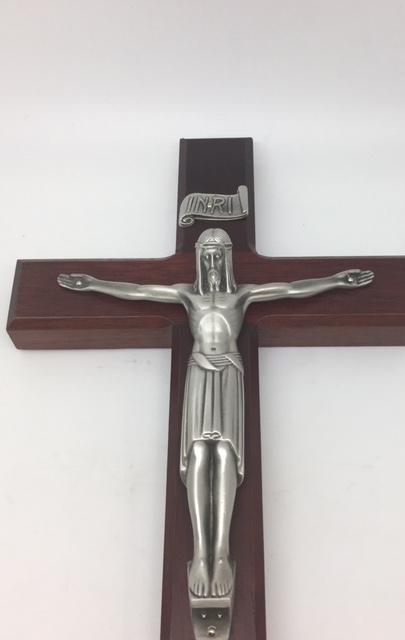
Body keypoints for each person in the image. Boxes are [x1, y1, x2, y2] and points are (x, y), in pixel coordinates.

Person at [58, 228, 374, 598]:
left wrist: (335, 281)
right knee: (197, 454)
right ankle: (199, 553)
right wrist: (94, 284)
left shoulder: (242, 295)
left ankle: (220, 552)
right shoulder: (187, 294)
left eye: (217, 254)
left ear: (226, 258)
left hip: (228, 372)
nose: (211, 262)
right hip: (198, 370)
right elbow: (140, 291)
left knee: (224, 451)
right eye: (205, 254)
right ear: (197, 258)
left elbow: (290, 289)